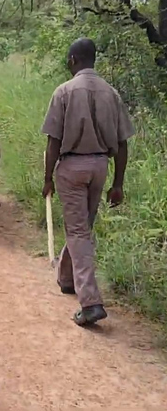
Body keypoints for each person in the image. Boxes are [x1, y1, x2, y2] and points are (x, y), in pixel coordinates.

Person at [41, 37, 135, 326]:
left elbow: (53, 141)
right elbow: (122, 145)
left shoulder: (64, 91)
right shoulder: (111, 93)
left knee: (79, 231)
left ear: (73, 60)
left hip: (71, 167)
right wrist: (117, 183)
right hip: (100, 166)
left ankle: (91, 302)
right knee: (81, 227)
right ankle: (67, 278)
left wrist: (47, 178)